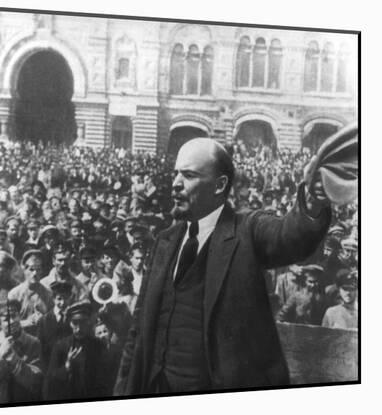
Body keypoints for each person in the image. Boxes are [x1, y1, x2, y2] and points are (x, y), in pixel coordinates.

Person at [115, 138, 331, 395]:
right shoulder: (165, 241)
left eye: (188, 175)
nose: (175, 183)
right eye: (176, 173)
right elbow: (138, 328)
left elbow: (290, 235)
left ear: (220, 185)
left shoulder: (247, 231)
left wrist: (313, 200)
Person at [0, 299, 43, 404]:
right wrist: (0, 354)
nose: (12, 321)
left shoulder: (33, 343)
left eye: (14, 316)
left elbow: (35, 381)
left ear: (20, 316)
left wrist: (14, 358)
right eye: (6, 319)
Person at [43, 301, 110, 400]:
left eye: (82, 322)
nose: (78, 328)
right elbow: (49, 382)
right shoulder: (60, 346)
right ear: (70, 323)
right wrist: (67, 366)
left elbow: (106, 380)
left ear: (88, 322)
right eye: (75, 323)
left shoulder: (98, 346)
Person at [8, 250, 54, 336]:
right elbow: (9, 324)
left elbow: (52, 322)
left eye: (38, 269)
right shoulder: (14, 294)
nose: (35, 273)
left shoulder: (48, 294)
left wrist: (42, 320)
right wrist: (27, 322)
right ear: (24, 269)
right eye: (31, 269)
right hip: (20, 338)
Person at [37, 281, 73, 368]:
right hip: (50, 365)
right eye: (59, 299)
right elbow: (41, 348)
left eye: (66, 298)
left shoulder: (73, 318)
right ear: (53, 299)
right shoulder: (43, 320)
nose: (63, 302)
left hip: (70, 363)